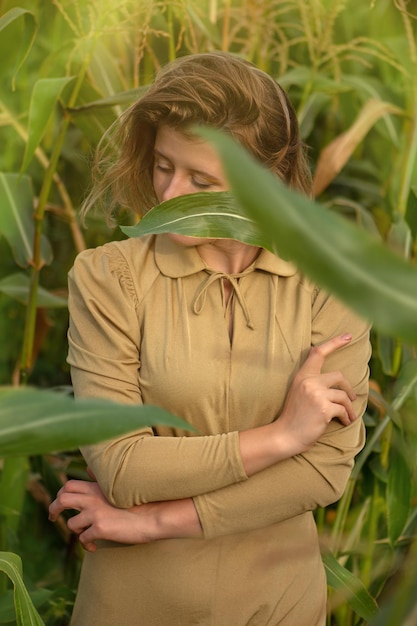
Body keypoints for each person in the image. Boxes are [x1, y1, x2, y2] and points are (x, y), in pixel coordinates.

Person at [49, 51, 371, 626]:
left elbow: (324, 470)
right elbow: (123, 468)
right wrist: (281, 436)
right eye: (163, 166)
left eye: (202, 181)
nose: (171, 197)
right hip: (132, 605)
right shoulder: (107, 277)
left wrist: (152, 521)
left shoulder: (335, 283)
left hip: (279, 607)